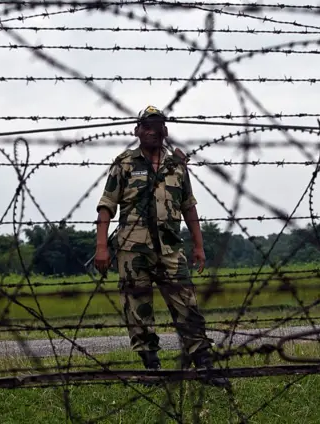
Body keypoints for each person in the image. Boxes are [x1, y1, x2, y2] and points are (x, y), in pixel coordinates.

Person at [94, 105, 230, 389]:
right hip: (133, 252)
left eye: (157, 127)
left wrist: (199, 246)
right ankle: (152, 367)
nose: (152, 131)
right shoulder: (124, 163)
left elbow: (189, 206)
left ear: (165, 131)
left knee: (187, 307)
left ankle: (204, 364)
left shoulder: (176, 167)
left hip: (171, 249)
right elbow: (106, 206)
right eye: (146, 126)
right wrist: (102, 246)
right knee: (138, 311)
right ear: (137, 131)